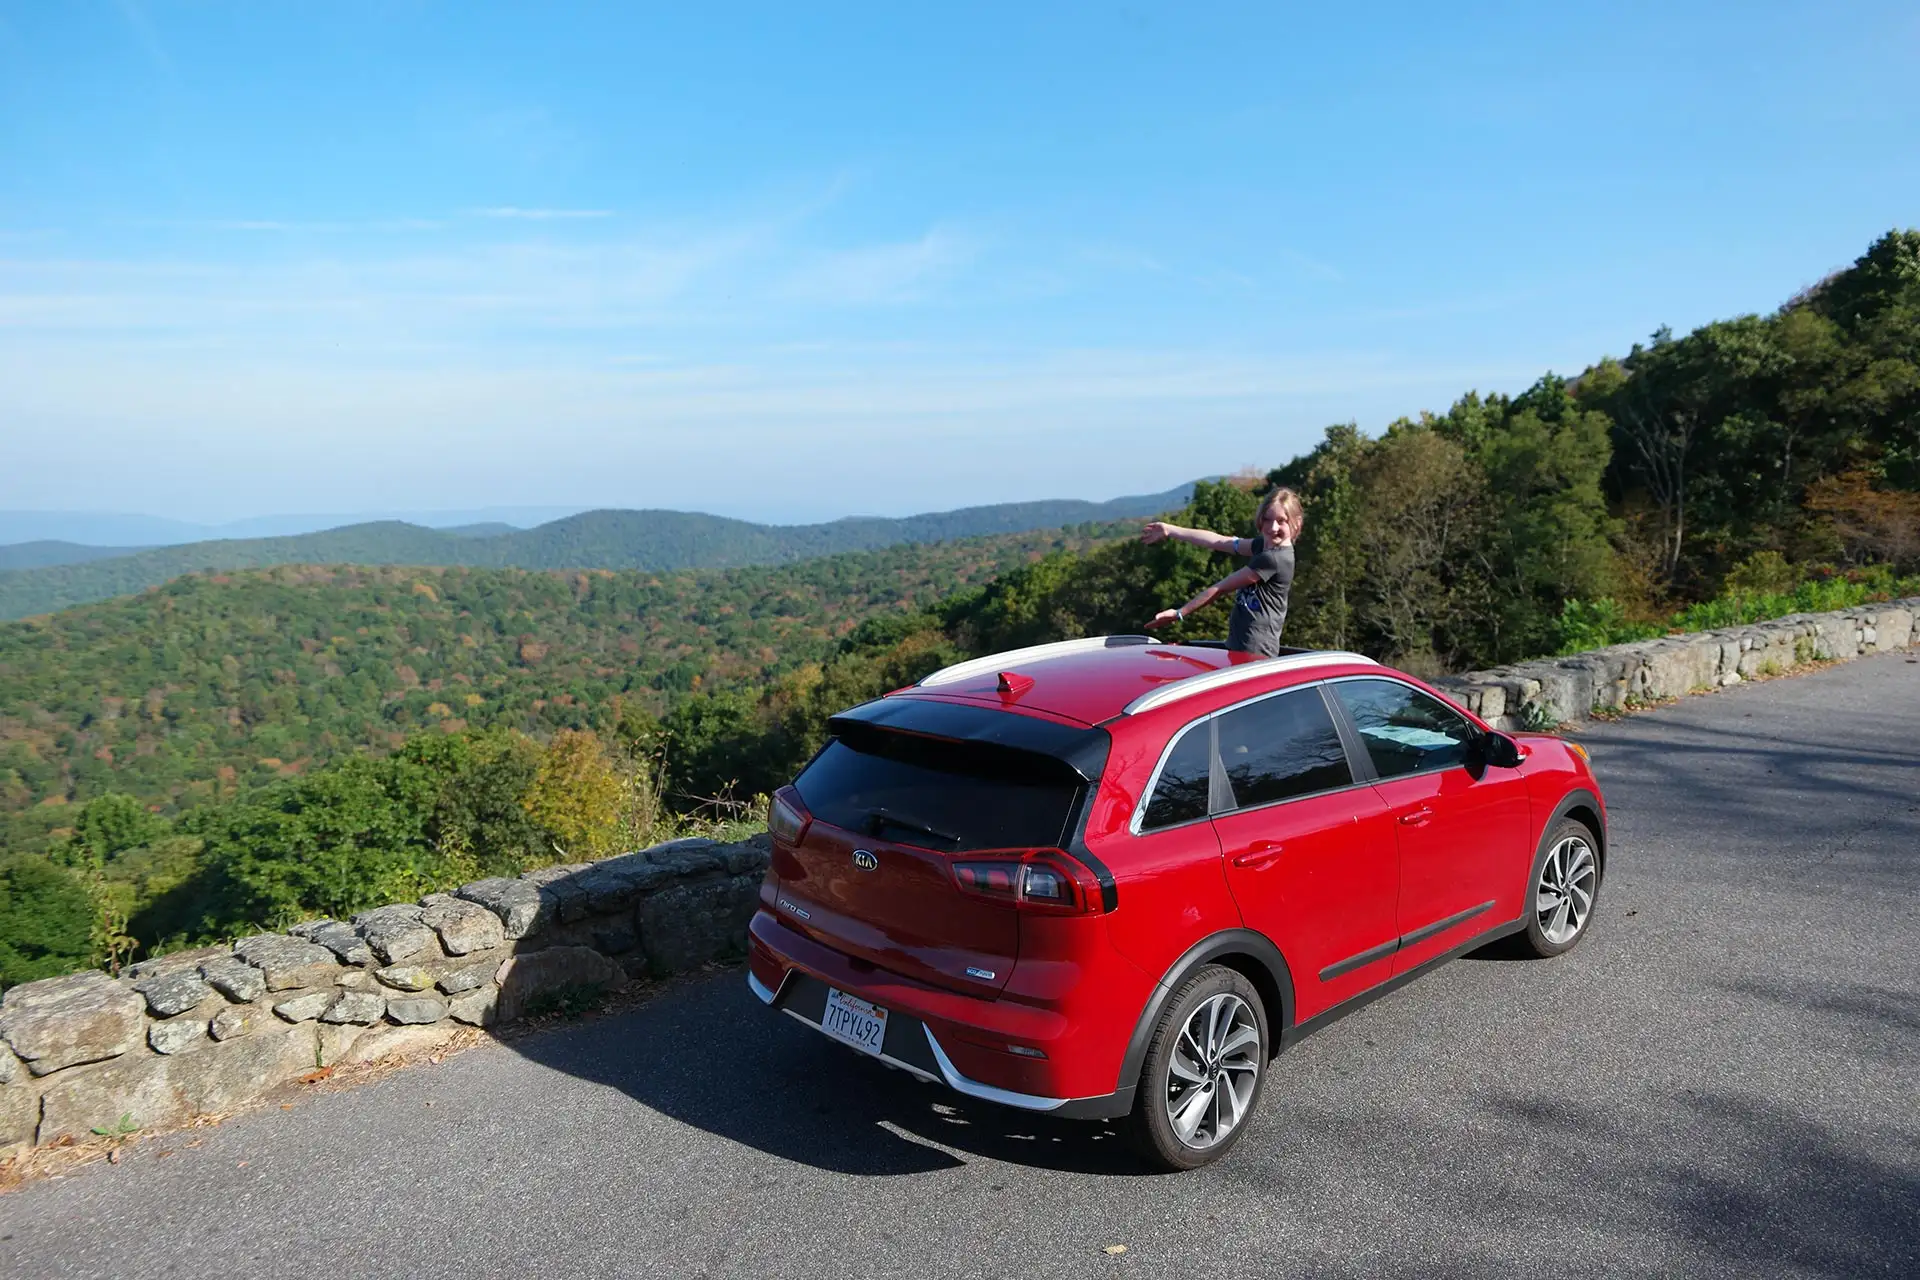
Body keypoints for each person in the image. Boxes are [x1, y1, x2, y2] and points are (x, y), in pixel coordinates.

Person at [1141, 487, 1304, 657]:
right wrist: (1170, 530)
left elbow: (1221, 588)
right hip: (1240, 645)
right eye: (1267, 519)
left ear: (1296, 522)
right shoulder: (1264, 545)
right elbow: (1220, 541)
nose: (1272, 527)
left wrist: (1180, 613)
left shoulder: (1274, 559)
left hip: (1255, 651)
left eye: (1281, 520)